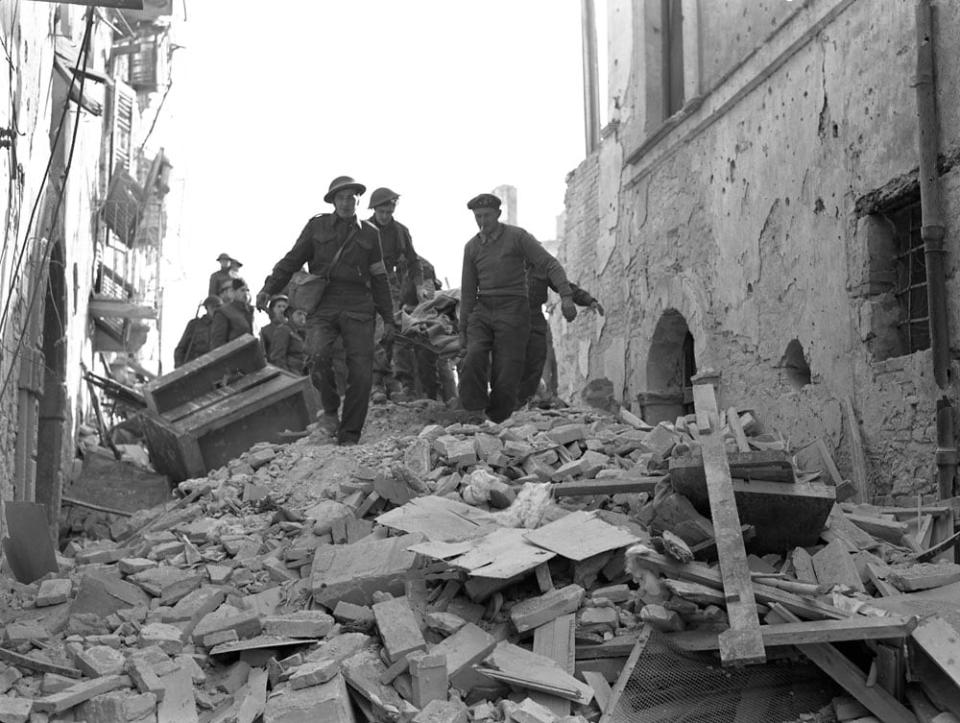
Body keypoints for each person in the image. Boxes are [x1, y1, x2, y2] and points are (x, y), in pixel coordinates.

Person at [255, 175, 396, 446]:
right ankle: (330, 411)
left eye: (351, 197)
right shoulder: (317, 226)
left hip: (358, 305)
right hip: (324, 302)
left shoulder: (370, 233)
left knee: (361, 371)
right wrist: (268, 288)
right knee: (317, 356)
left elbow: (379, 277)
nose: (346, 202)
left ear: (358, 200)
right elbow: (292, 259)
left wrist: (388, 318)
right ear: (333, 200)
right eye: (341, 197)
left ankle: (350, 434)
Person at [458, 193, 577, 423]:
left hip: (513, 309)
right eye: (478, 216)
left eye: (488, 216)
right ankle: (473, 412)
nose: (483, 221)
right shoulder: (471, 248)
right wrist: (463, 331)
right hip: (483, 309)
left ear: (499, 215)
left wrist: (567, 296)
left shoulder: (517, 237)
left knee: (506, 372)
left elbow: (550, 264)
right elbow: (468, 291)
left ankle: (497, 420)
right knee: (472, 357)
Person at [366, 187, 424, 403]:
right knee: (366, 335)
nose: (385, 216)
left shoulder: (400, 231)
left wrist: (419, 286)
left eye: (388, 212)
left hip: (388, 286)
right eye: (381, 212)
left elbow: (413, 260)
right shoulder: (362, 228)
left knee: (389, 332)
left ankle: (382, 382)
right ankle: (376, 382)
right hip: (363, 286)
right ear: (374, 210)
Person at [517, 267, 603, 406]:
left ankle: (543, 399)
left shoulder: (540, 267)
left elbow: (565, 286)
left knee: (543, 365)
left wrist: (588, 300)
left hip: (535, 325)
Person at [173, 295, 222, 367]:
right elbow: (180, 349)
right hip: (194, 366)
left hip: (213, 366)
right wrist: (179, 368)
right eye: (213, 307)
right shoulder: (195, 325)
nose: (216, 310)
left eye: (218, 307)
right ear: (207, 308)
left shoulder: (223, 326)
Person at [210, 278, 253, 349]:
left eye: (247, 290)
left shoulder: (253, 312)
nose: (246, 294)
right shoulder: (224, 312)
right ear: (233, 292)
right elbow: (217, 344)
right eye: (242, 290)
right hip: (235, 357)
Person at [268, 305, 308, 374]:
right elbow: (277, 357)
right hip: (291, 374)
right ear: (290, 315)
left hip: (301, 373)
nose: (302, 317)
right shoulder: (283, 330)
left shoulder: (302, 333)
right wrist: (288, 377)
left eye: (304, 314)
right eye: (299, 314)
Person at [260, 294, 289, 360]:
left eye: (284, 306)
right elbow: (262, 354)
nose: (282, 309)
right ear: (273, 309)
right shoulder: (265, 330)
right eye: (279, 306)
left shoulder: (295, 328)